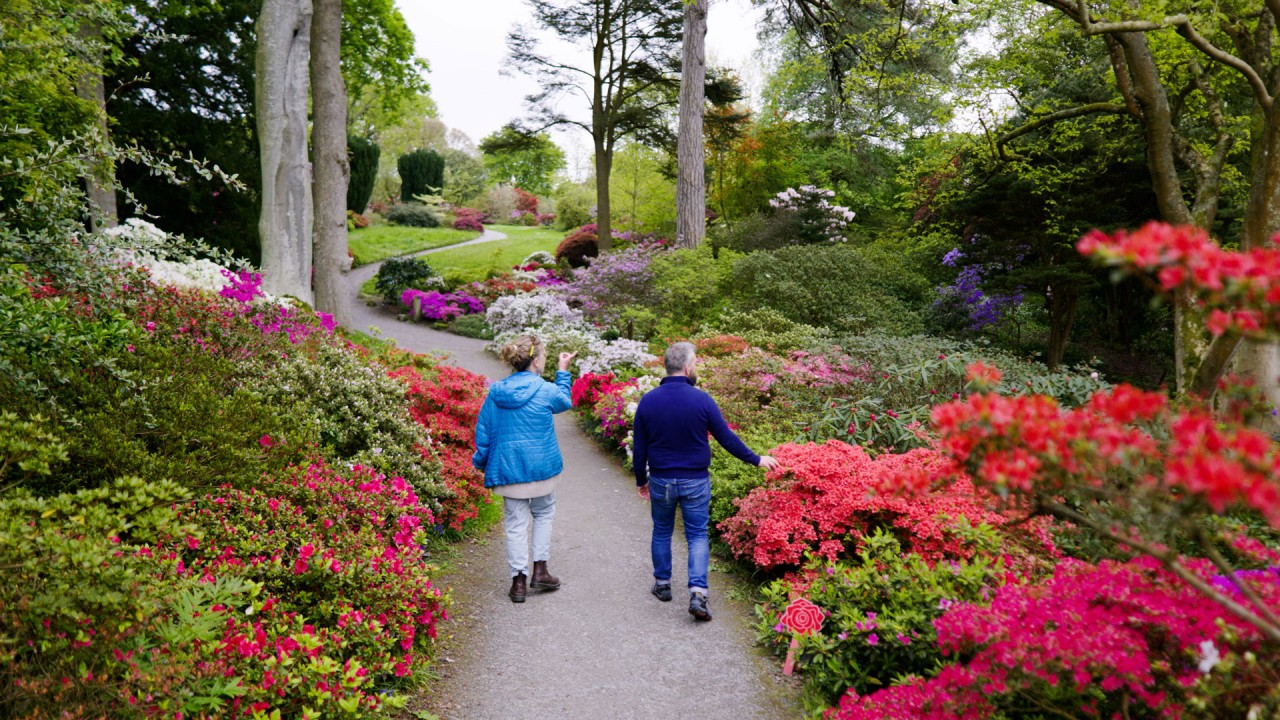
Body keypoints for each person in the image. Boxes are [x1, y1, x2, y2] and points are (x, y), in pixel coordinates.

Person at [632, 341, 779, 621]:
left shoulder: (649, 401)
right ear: (687, 367)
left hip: (661, 479)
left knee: (661, 530)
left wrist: (642, 480)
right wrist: (757, 459)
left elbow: (640, 448)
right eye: (695, 362)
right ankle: (698, 593)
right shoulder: (702, 400)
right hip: (695, 480)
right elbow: (726, 438)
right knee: (697, 534)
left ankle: (663, 585)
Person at [473, 335, 576, 603]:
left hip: (508, 470)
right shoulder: (545, 389)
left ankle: (518, 583)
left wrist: (480, 462)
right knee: (543, 514)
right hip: (542, 468)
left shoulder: (496, 392)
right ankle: (540, 571)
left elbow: (483, 431)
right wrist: (563, 371)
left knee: (515, 524)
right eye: (543, 356)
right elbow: (565, 401)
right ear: (535, 361)